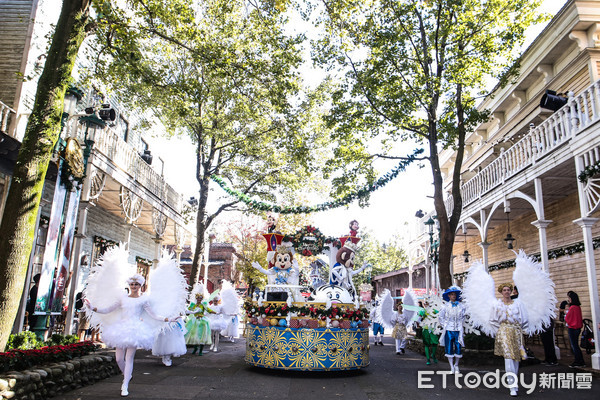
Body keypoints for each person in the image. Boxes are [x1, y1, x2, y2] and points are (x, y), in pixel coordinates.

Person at [85, 274, 176, 397]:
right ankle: (127, 375)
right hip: (121, 328)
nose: (134, 286)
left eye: (136, 284)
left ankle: (125, 384)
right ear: (129, 285)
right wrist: (93, 308)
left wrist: (168, 319)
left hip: (136, 329)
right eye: (132, 284)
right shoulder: (123, 298)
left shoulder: (143, 300)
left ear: (140, 286)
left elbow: (153, 315)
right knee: (118, 359)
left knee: (129, 358)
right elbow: (108, 309)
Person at [490, 283, 528, 397]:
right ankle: (511, 385)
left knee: (516, 358)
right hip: (504, 333)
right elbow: (492, 320)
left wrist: (521, 330)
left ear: (511, 292)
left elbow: (524, 319)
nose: (506, 292)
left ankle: (514, 382)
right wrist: (501, 330)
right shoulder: (497, 305)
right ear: (501, 292)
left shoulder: (518, 304)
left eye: (508, 290)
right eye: (504, 290)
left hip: (516, 333)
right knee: (508, 358)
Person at [439, 286, 466, 374]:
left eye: (454, 294)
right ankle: (451, 367)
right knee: (449, 347)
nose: (453, 296)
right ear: (449, 296)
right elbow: (441, 317)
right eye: (451, 294)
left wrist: (461, 324)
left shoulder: (461, 306)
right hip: (449, 329)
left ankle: (456, 365)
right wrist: (445, 325)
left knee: (458, 347)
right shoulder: (445, 306)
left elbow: (463, 317)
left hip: (458, 329)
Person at [184, 288, 212, 356]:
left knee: (202, 335)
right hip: (195, 321)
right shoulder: (193, 305)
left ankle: (201, 351)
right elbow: (188, 311)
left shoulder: (203, 305)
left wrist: (217, 312)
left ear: (202, 299)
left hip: (202, 321)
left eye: (200, 298)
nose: (199, 300)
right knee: (194, 335)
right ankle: (195, 348)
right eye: (198, 298)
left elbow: (209, 310)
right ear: (196, 299)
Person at [565, 291, 585, 367]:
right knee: (576, 345)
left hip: (572, 328)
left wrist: (566, 313)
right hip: (578, 328)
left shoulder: (572, 307)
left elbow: (567, 318)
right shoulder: (578, 307)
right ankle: (581, 361)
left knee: (574, 346)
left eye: (569, 298)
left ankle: (578, 361)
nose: (569, 299)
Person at [416, 300, 439, 365]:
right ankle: (428, 359)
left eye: (427, 302)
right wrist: (421, 316)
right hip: (425, 329)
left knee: (435, 343)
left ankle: (433, 355)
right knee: (426, 344)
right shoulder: (422, 310)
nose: (426, 304)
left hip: (433, 329)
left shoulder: (434, 310)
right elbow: (418, 318)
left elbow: (439, 315)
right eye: (425, 303)